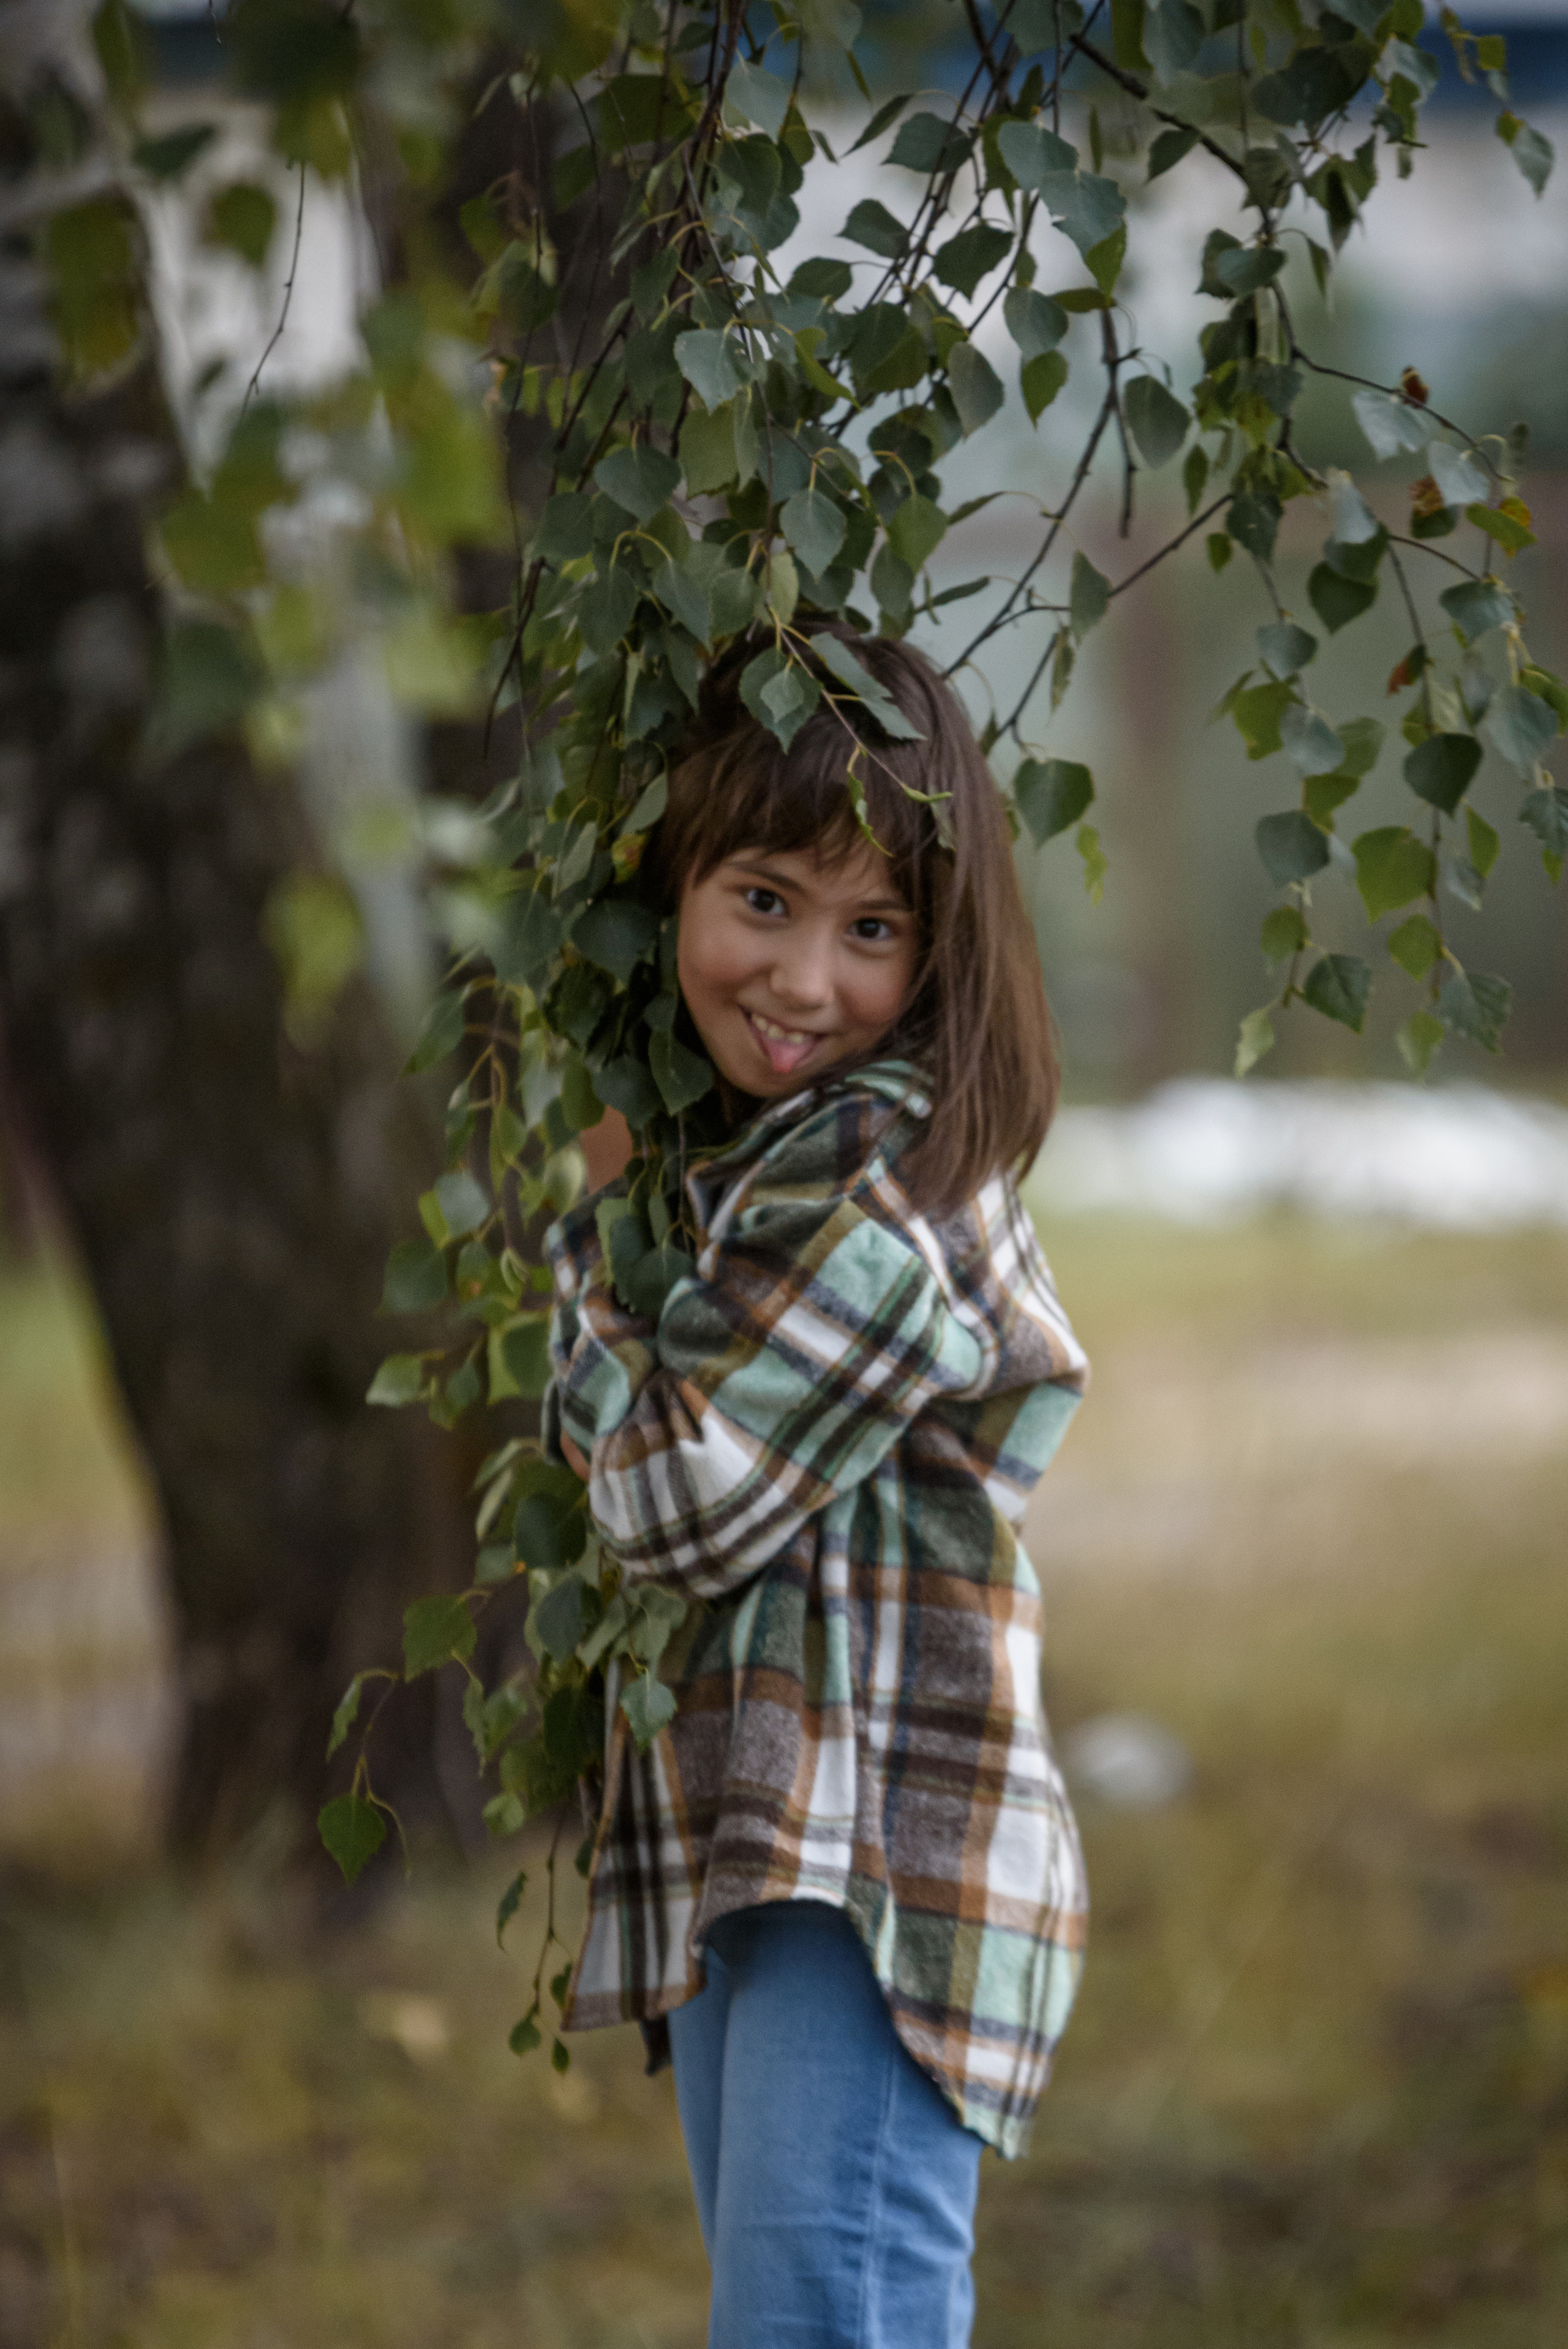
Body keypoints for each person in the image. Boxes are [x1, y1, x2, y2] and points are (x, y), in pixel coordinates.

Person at [542, 627, 1090, 2348]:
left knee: (822, 2318)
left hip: (876, 1860)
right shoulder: (761, 1160)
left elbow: (678, 1499)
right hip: (773, 1827)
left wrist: (585, 1241)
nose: (803, 979)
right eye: (763, 900)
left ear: (937, 957)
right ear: (672, 890)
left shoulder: (886, 1171)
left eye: (872, 930)